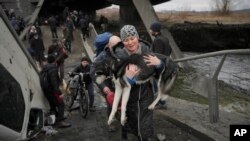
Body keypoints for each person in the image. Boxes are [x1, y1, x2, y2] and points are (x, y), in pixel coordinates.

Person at [90, 35, 122, 132]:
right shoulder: (102, 57)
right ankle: (110, 122)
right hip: (107, 84)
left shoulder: (121, 52)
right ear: (110, 46)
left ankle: (118, 114)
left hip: (118, 83)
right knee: (110, 104)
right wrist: (103, 86)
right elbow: (93, 72)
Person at [41, 54, 71, 128]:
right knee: (61, 104)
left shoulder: (44, 68)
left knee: (53, 105)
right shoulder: (53, 69)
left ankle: (54, 119)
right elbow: (54, 82)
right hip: (52, 91)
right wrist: (58, 93)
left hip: (46, 90)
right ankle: (59, 122)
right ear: (54, 61)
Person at [150, 21, 172, 108]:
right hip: (166, 65)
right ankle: (161, 102)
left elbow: (157, 55)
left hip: (160, 67)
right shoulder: (165, 38)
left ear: (155, 31)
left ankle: (160, 104)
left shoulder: (158, 40)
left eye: (151, 29)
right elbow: (170, 51)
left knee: (157, 85)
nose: (150, 31)